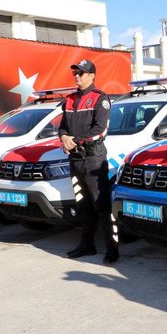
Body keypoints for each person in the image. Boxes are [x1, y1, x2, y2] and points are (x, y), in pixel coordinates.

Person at [58, 59, 119, 265]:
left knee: (101, 205)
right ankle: (87, 245)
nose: (77, 76)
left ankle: (112, 248)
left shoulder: (100, 99)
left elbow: (100, 129)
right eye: (75, 73)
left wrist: (74, 140)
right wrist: (64, 137)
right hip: (75, 160)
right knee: (82, 205)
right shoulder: (69, 100)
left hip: (93, 160)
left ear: (92, 76)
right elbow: (63, 127)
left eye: (81, 73)